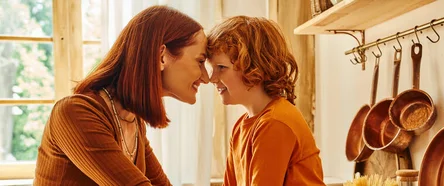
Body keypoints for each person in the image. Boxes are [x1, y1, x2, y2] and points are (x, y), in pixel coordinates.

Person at [34, 5, 209, 185]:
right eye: (201, 61)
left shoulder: (133, 121)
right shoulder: (75, 113)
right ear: (161, 57)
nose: (206, 77)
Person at [206, 15, 326, 186]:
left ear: (254, 68)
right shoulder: (241, 128)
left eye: (221, 68)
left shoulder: (275, 122)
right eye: (212, 68)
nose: (212, 78)